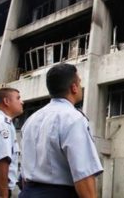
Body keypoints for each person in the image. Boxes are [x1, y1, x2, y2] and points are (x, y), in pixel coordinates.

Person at [19, 63, 103, 198]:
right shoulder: (73, 119)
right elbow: (84, 176)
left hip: (28, 192)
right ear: (74, 88)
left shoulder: (31, 120)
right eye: (79, 82)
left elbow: (24, 171)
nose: (81, 87)